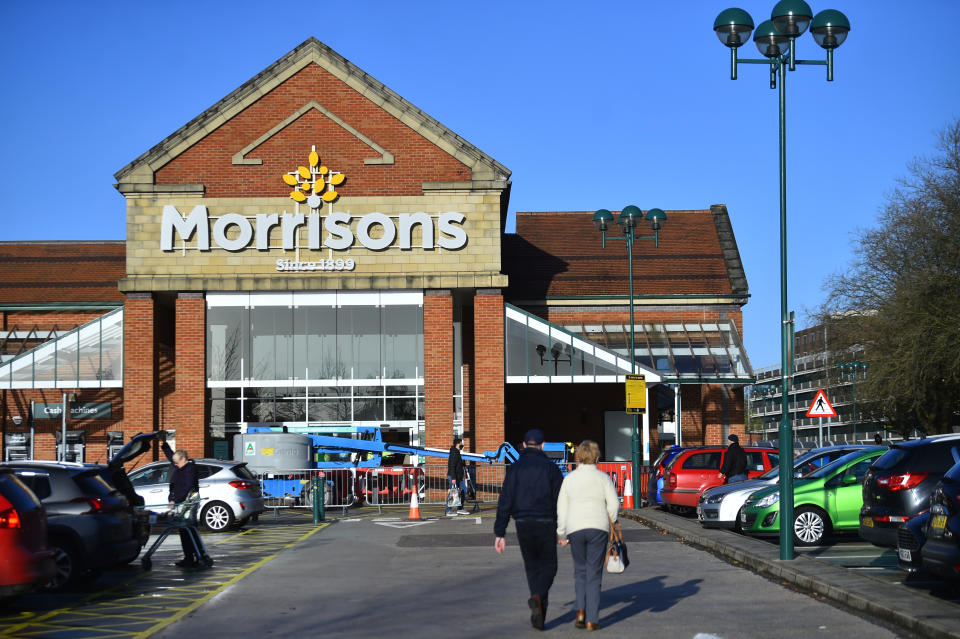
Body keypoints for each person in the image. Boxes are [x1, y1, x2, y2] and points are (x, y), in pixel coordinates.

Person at [494, 429, 564, 631]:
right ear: (543, 445)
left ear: (523, 445)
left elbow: (505, 501)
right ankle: (539, 597)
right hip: (546, 522)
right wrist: (563, 529)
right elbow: (561, 501)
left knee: (532, 567)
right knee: (549, 567)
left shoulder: (514, 469)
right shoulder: (551, 468)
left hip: (523, 523)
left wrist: (500, 532)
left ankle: (538, 608)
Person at [557, 440, 619, 631]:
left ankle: (580, 611)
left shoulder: (570, 478)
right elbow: (614, 505)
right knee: (594, 573)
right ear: (596, 457)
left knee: (580, 571)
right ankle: (592, 618)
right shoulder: (603, 478)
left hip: (575, 528)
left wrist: (561, 532)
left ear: (579, 457)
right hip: (598, 527)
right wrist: (611, 521)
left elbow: (562, 506)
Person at [159, 433, 201, 567]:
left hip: (188, 503)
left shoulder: (189, 469)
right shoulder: (180, 466)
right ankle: (190, 556)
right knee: (184, 530)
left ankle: (195, 556)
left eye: (177, 463)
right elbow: (170, 456)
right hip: (181, 502)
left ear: (184, 459)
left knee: (188, 529)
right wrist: (164, 443)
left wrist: (175, 500)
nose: (175, 465)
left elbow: (186, 488)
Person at [446, 437, 470, 516]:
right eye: (461, 443)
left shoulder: (457, 452)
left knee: (463, 490)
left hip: (458, 476)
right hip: (454, 477)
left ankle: (460, 508)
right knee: (452, 493)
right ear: (458, 444)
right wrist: (453, 478)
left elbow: (457, 464)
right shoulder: (454, 453)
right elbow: (452, 466)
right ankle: (448, 510)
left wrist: (463, 464)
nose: (462, 445)